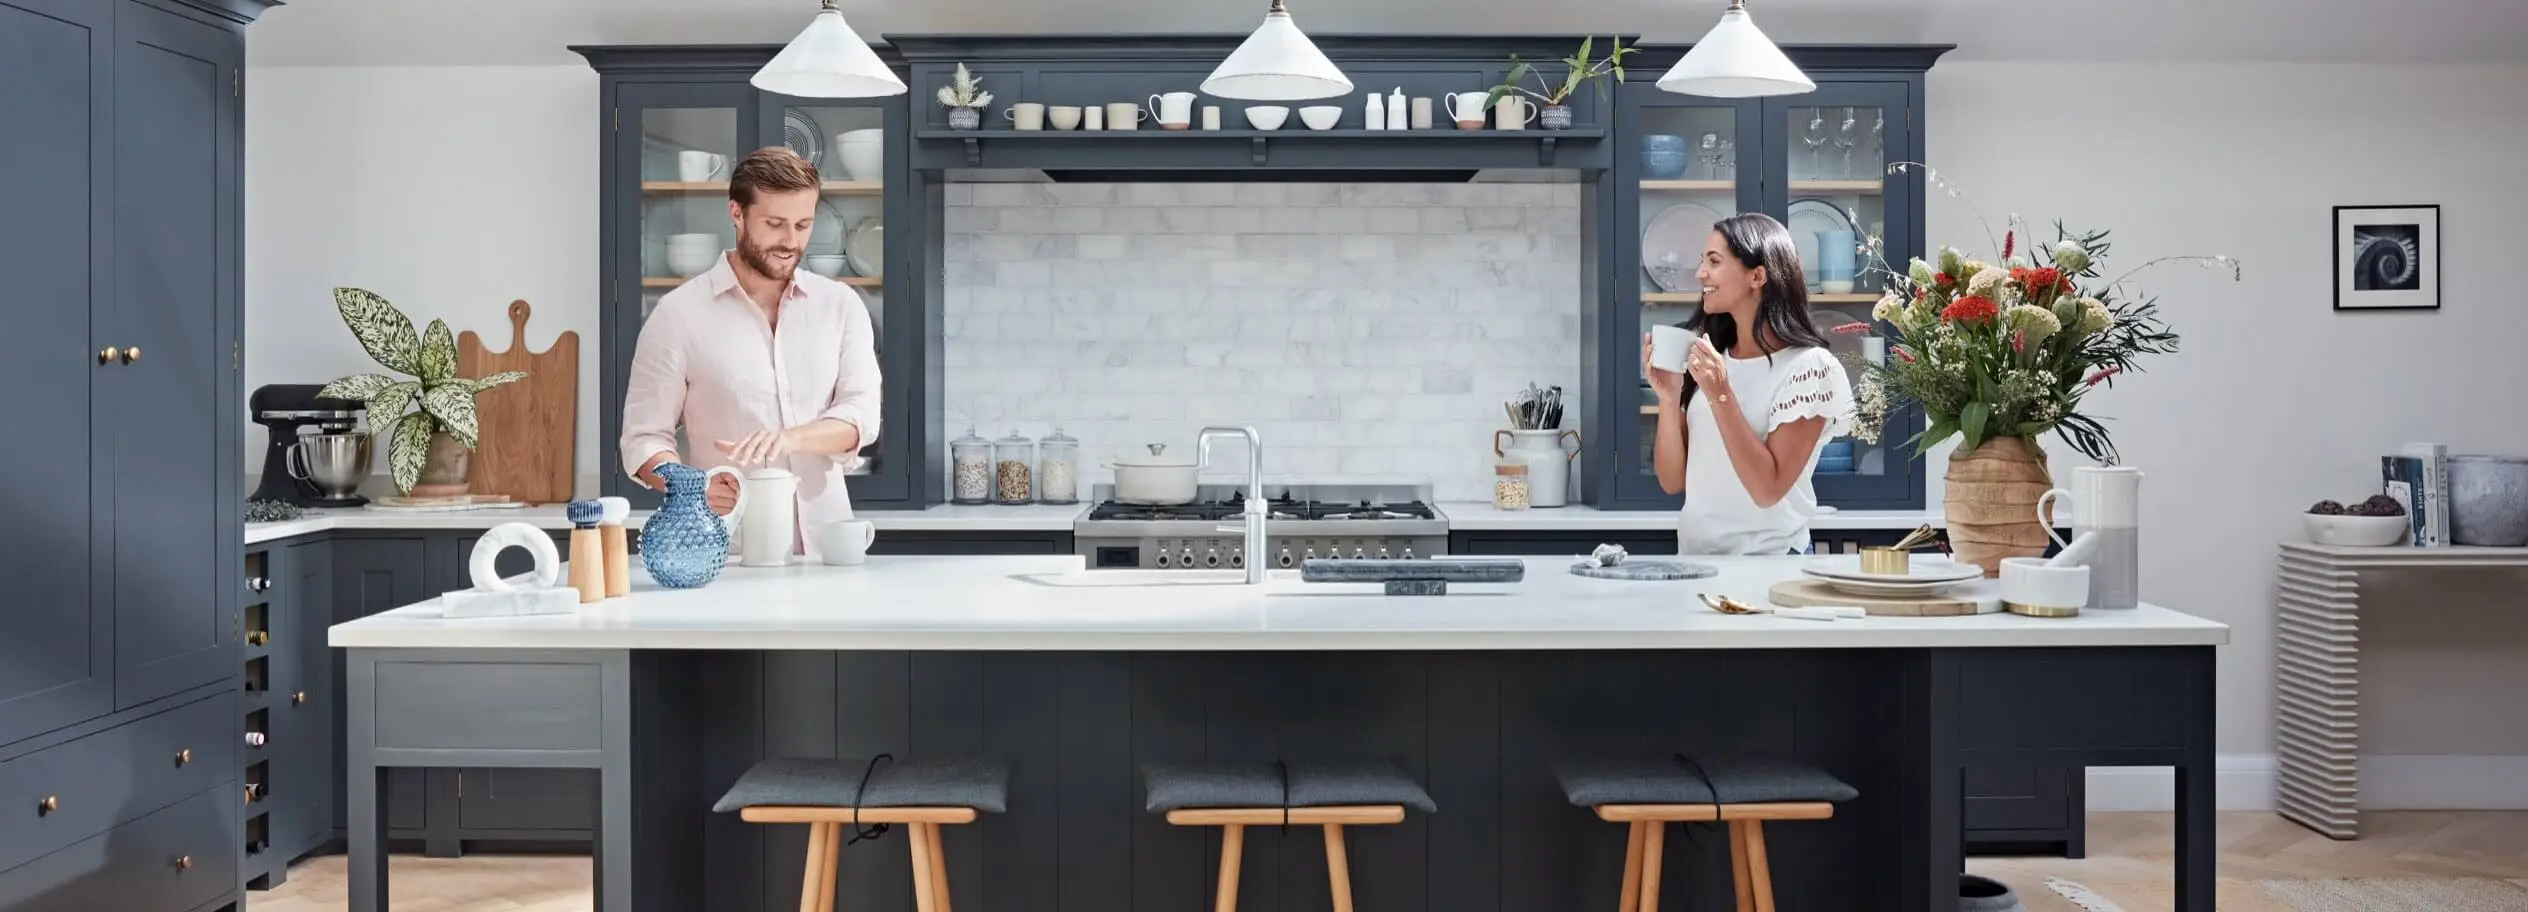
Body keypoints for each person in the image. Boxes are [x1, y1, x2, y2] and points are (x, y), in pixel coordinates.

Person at [620, 147, 881, 557]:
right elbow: (643, 441)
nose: (790, 242)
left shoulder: (841, 305)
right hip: (726, 554)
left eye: (803, 224)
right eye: (775, 224)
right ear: (736, 213)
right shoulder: (677, 315)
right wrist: (693, 488)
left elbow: (860, 417)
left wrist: (788, 439)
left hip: (831, 555)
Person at [1641, 213, 1853, 556]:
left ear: (1757, 275)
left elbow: (1767, 489)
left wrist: (1721, 394)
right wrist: (1668, 399)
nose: (1700, 274)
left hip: (1771, 567)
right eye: (1701, 261)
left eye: (1714, 261)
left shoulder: (1809, 368)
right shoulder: (1714, 360)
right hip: (1696, 566)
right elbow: (1672, 481)